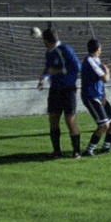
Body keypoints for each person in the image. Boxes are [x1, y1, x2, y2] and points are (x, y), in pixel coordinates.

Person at [37, 28, 82, 159]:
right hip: (55, 90)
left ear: (46, 40)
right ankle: (56, 151)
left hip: (68, 89)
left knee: (70, 120)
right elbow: (48, 68)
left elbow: (77, 67)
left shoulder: (65, 50)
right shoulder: (49, 53)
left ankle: (76, 151)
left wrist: (57, 71)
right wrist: (44, 78)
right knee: (53, 119)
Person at [80, 39, 111, 156]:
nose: (101, 51)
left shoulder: (96, 60)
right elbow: (105, 79)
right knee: (104, 125)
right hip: (91, 97)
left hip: (99, 96)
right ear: (98, 49)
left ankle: (105, 148)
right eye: (100, 48)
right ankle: (88, 150)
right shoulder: (89, 61)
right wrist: (107, 71)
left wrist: (104, 96)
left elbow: (100, 82)